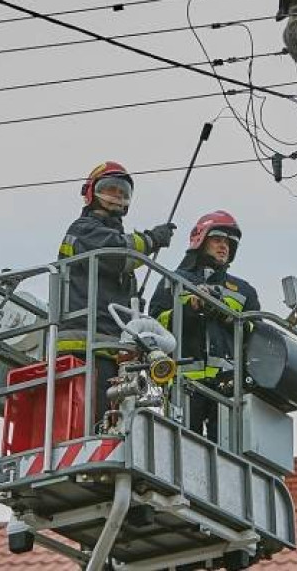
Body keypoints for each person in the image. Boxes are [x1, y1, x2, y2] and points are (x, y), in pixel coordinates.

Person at [57, 161, 175, 425]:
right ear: (91, 193)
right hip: (85, 341)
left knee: (110, 419)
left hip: (109, 344)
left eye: (123, 192)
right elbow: (119, 255)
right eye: (110, 189)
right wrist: (152, 239)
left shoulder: (107, 235)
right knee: (91, 419)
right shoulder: (83, 229)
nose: (117, 197)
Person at [149, 210, 260, 443]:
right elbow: (155, 325)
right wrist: (190, 308)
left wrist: (227, 316)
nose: (224, 247)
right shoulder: (173, 281)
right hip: (184, 384)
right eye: (217, 239)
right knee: (183, 448)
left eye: (228, 243)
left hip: (228, 386)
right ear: (200, 240)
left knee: (228, 452)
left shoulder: (244, 291)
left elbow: (256, 335)